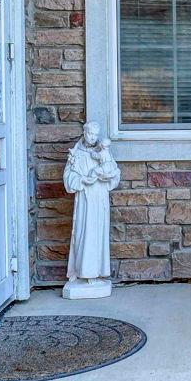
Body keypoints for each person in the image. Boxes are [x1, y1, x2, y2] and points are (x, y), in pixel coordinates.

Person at [62, 121, 119, 298]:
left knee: (97, 236)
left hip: (99, 198)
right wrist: (82, 181)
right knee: (82, 235)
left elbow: (115, 173)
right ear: (84, 133)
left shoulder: (102, 152)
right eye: (90, 134)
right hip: (85, 201)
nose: (92, 138)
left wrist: (104, 174)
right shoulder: (76, 153)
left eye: (95, 135)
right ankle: (82, 272)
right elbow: (68, 178)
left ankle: (95, 273)